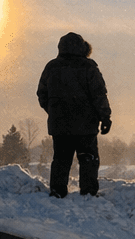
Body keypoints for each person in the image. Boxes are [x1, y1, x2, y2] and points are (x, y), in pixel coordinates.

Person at [37, 32, 112, 197]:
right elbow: (99, 94)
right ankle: (89, 192)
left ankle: (57, 191)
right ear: (82, 47)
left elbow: (42, 94)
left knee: (61, 160)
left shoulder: (51, 67)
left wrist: (55, 112)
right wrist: (104, 117)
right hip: (86, 125)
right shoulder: (88, 67)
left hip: (60, 126)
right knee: (88, 158)